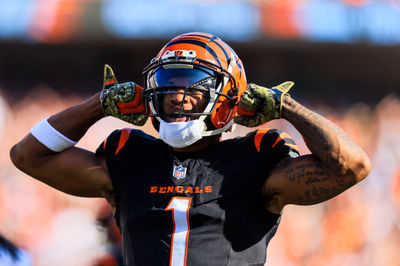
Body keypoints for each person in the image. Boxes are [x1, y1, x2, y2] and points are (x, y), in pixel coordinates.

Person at [10, 32, 371, 266]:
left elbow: (352, 166)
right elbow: (27, 155)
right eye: (168, 84)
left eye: (193, 86)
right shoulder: (130, 155)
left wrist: (286, 107)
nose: (177, 96)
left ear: (230, 97)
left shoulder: (256, 157)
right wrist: (100, 104)